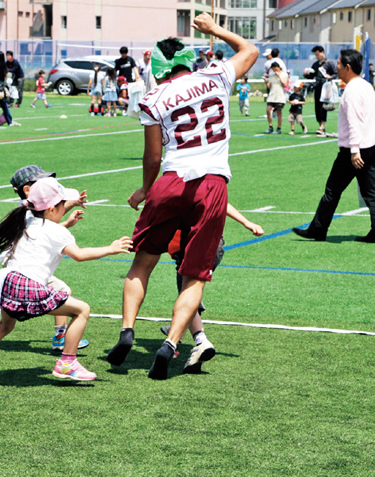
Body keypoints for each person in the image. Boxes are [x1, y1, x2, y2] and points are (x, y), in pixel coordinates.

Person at [105, 13, 258, 380]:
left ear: (157, 69)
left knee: (143, 262)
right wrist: (215, 30)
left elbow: (153, 156)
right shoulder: (216, 76)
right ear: (190, 61)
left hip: (172, 180)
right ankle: (171, 344)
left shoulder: (155, 97)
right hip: (213, 184)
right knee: (194, 275)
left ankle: (127, 331)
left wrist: (145, 188)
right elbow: (250, 49)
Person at [0, 177, 132, 382]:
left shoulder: (25, 219)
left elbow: (46, 233)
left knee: (4, 326)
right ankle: (67, 363)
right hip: (26, 285)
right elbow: (78, 255)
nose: (65, 207)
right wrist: (110, 248)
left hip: (5, 282)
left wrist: (67, 223)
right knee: (82, 310)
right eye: (63, 204)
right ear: (52, 209)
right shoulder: (56, 231)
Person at [0, 165, 91, 351]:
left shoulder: (27, 211)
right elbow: (49, 227)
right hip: (27, 268)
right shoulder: (29, 210)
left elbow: (47, 229)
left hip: (14, 266)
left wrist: (68, 216)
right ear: (28, 189)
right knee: (62, 291)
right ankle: (60, 336)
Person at [160, 204, 264, 373]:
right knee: (191, 293)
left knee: (187, 297)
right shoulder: (209, 187)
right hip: (213, 245)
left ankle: (198, 340)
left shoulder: (185, 186)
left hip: (191, 248)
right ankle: (185, 339)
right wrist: (247, 222)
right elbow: (222, 202)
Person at [293, 49, 375, 243]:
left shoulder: (352, 90)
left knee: (332, 190)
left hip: (353, 151)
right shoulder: (366, 86)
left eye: (338, 64)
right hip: (369, 146)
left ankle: (318, 229)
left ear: (347, 67)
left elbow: (354, 122)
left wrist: (354, 150)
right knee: (371, 193)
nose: (336, 67)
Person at [304, 46, 336, 137]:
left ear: (323, 52)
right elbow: (312, 76)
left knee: (323, 107)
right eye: (316, 55)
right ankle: (320, 126)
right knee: (317, 107)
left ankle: (322, 126)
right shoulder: (315, 64)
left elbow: (335, 74)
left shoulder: (329, 63)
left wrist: (330, 77)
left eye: (318, 54)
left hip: (325, 87)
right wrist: (306, 74)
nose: (317, 56)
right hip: (317, 87)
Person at [0, 51, 18, 127]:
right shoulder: (4, 67)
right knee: (4, 105)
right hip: (1, 89)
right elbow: (7, 76)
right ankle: (10, 122)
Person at [264, 62, 288, 134]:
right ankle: (270, 126)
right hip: (272, 95)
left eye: (275, 69)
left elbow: (284, 84)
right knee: (268, 110)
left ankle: (279, 128)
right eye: (273, 70)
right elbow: (270, 86)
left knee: (278, 111)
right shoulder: (272, 74)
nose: (275, 71)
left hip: (280, 96)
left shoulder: (284, 74)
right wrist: (266, 83)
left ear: (279, 67)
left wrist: (279, 76)